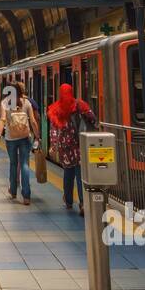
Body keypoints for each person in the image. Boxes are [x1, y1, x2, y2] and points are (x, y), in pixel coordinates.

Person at [47, 83, 98, 214]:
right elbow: (92, 118)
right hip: (80, 145)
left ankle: (69, 202)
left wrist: (53, 146)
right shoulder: (79, 105)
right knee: (81, 176)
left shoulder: (56, 108)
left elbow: (54, 130)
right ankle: (83, 204)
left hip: (66, 149)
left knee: (68, 175)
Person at [0, 86, 40, 205]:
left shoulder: (5, 103)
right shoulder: (26, 103)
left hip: (10, 139)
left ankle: (13, 191)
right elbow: (33, 121)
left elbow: (2, 120)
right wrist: (37, 136)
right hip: (25, 138)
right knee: (25, 164)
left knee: (13, 164)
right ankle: (26, 196)